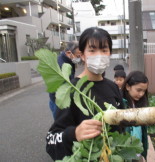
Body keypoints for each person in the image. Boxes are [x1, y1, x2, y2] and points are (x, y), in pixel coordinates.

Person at [46, 27, 124, 161]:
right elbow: (51, 140)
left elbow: (122, 125)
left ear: (109, 53)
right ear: (82, 55)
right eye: (92, 50)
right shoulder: (71, 90)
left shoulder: (113, 87)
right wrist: (74, 133)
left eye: (104, 50)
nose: (99, 55)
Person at [121, 71, 149, 161]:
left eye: (144, 91)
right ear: (128, 87)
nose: (141, 94)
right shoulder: (120, 104)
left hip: (137, 147)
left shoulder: (140, 104)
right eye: (138, 90)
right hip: (124, 149)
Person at [49, 42, 81, 119]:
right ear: (69, 52)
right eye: (78, 56)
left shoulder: (68, 59)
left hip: (59, 98)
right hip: (59, 101)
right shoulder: (61, 66)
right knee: (61, 124)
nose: (79, 58)